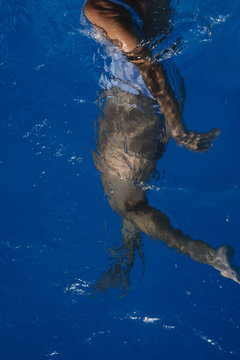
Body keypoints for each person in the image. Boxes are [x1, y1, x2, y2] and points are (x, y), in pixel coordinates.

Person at [83, 0, 240, 293]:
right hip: (155, 101)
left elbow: (149, 67)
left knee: (127, 205)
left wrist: (177, 126)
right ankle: (124, 265)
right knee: (131, 200)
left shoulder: (99, 7)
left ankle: (209, 256)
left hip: (134, 112)